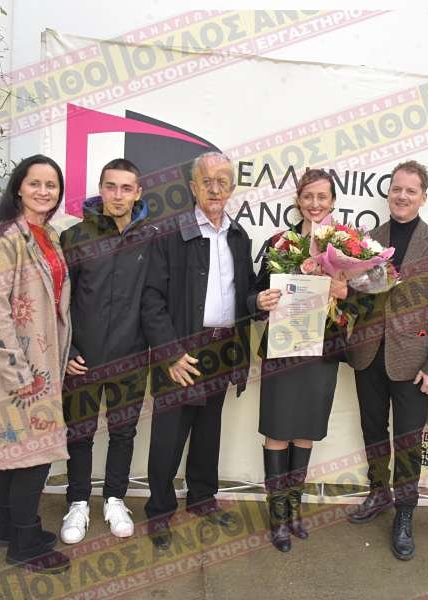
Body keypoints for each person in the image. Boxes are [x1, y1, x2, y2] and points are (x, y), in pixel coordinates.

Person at [141, 152, 257, 549]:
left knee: (209, 431)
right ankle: (159, 512)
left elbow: (247, 291)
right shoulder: (170, 235)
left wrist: (261, 301)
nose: (215, 188)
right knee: (169, 436)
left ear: (232, 188)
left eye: (222, 181)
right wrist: (171, 354)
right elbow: (151, 300)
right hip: (182, 350)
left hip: (222, 348)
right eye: (207, 181)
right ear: (193, 187)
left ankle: (202, 499)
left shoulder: (240, 237)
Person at [0, 154, 72, 573]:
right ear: (18, 188)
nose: (44, 191)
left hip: (40, 359)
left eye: (51, 185)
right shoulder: (2, 237)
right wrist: (18, 372)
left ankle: (7, 526)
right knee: (33, 453)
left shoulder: (48, 234)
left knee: (13, 447)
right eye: (35, 183)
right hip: (15, 367)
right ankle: (25, 543)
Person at [345, 160, 428, 561]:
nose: (402, 196)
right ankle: (378, 493)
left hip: (414, 364)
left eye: (411, 190)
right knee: (373, 431)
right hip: (368, 355)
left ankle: (405, 513)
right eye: (397, 189)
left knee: (407, 441)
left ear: (423, 197)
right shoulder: (367, 240)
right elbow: (358, 298)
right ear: (388, 193)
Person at [58, 158, 155, 544]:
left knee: (123, 432)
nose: (118, 195)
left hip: (131, 357)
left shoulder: (151, 238)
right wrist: (68, 350)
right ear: (100, 189)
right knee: (80, 433)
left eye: (126, 188)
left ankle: (115, 499)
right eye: (111, 186)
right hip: (83, 360)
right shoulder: (75, 237)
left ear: (138, 193)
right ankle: (78, 502)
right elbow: (59, 301)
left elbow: (156, 300)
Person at [252, 168, 349, 552]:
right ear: (298, 200)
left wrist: (345, 292)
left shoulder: (347, 249)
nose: (315, 203)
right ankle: (277, 517)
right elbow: (255, 294)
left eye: (322, 197)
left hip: (320, 353)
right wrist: (262, 301)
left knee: (305, 430)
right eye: (308, 196)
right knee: (278, 431)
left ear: (332, 202)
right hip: (282, 350)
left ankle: (294, 511)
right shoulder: (280, 242)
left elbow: (365, 302)